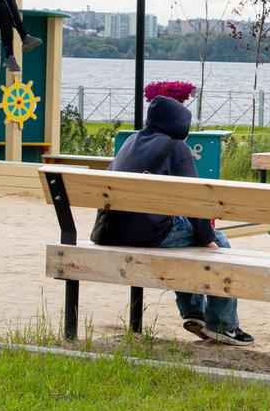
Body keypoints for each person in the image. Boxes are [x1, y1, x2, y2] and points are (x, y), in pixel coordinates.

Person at [100, 89, 252, 346]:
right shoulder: (177, 148)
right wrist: (207, 238)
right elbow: (195, 200)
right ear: (180, 124)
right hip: (149, 233)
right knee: (219, 244)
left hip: (116, 231)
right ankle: (223, 325)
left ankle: (194, 311)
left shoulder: (130, 142)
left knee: (190, 239)